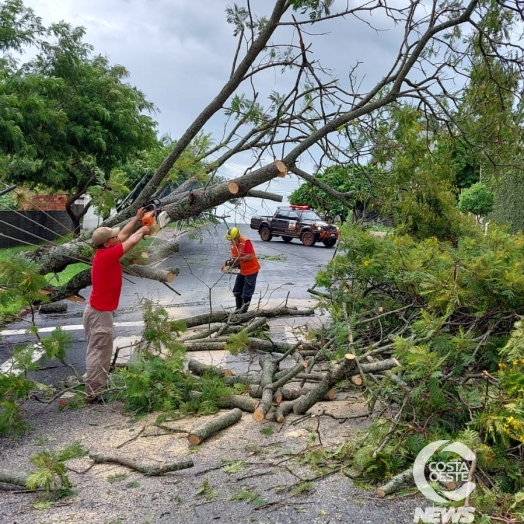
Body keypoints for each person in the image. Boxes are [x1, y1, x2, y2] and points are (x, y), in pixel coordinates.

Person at [83, 208, 150, 404]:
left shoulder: (105, 249)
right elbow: (132, 240)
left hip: (97, 311)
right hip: (99, 314)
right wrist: (144, 229)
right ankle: (92, 393)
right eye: (112, 236)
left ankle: (96, 387)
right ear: (106, 243)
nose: (116, 237)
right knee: (99, 352)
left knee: (98, 350)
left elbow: (124, 234)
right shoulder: (107, 256)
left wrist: (137, 218)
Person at [225, 226, 261, 313]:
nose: (232, 241)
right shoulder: (233, 245)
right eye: (230, 240)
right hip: (242, 270)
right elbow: (234, 257)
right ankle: (238, 309)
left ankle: (243, 313)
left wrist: (239, 259)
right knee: (237, 290)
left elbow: (250, 255)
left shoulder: (245, 242)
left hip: (251, 270)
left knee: (247, 293)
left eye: (233, 239)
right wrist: (231, 263)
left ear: (237, 236)